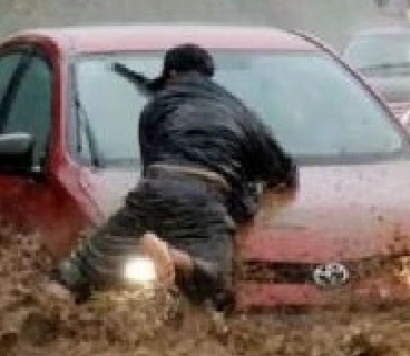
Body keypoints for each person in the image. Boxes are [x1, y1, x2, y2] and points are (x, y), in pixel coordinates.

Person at [47, 43, 298, 309]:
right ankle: (174, 258)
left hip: (155, 188)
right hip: (206, 195)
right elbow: (283, 174)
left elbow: (150, 168)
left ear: (171, 74)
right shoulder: (240, 113)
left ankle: (45, 318)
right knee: (216, 282)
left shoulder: (156, 107)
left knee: (76, 271)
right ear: (208, 75)